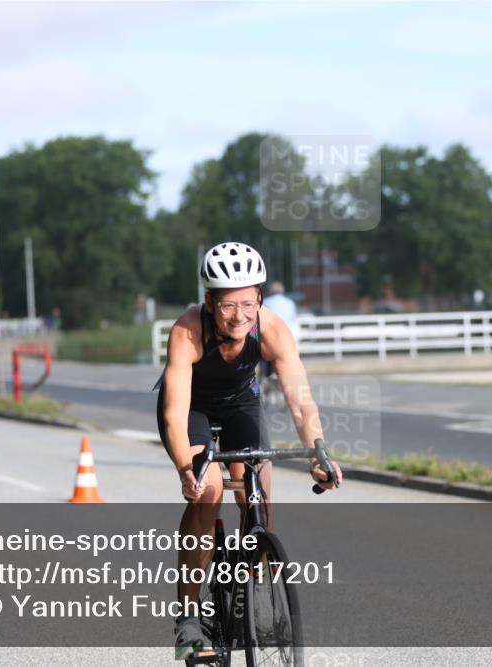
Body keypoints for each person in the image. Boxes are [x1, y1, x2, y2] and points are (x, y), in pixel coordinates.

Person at [156, 242, 342, 659]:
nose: (239, 315)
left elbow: (300, 402)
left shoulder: (270, 328)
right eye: (228, 305)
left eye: (247, 303)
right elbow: (174, 414)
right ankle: (189, 617)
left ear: (259, 298)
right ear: (209, 302)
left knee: (257, 489)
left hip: (241, 402)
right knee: (208, 491)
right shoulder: (188, 330)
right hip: (192, 408)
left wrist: (319, 453)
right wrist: (186, 467)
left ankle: (248, 588)